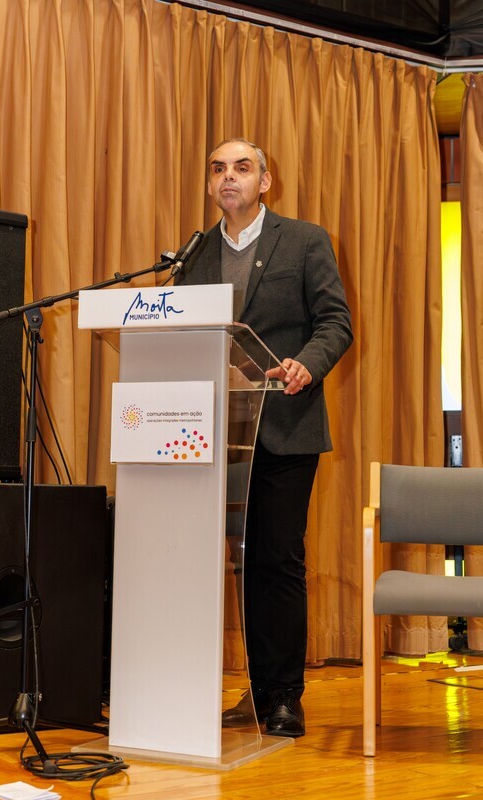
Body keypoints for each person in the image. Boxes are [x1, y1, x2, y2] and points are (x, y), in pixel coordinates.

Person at [175, 138, 353, 737]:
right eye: (218, 169)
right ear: (210, 184)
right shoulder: (195, 254)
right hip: (213, 434)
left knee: (276, 561)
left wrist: (308, 364)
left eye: (241, 167)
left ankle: (283, 697)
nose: (229, 177)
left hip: (284, 428)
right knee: (238, 565)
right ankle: (255, 692)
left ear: (265, 181)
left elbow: (336, 323)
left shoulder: (304, 241)